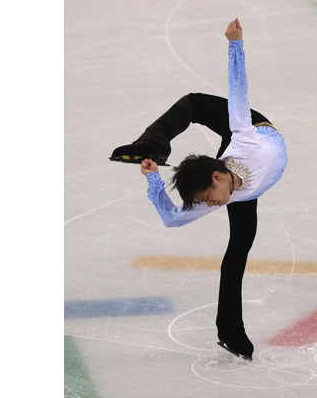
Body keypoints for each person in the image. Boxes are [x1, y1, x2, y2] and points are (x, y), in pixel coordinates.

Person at [110, 18, 288, 361]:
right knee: (236, 254)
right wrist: (152, 180)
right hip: (243, 185)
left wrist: (235, 42)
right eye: (204, 202)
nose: (208, 207)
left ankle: (156, 140)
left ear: (217, 179)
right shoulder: (216, 192)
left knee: (194, 103)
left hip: (255, 132)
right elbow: (173, 220)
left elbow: (238, 90)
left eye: (206, 198)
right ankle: (231, 335)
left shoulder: (244, 135)